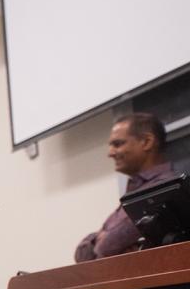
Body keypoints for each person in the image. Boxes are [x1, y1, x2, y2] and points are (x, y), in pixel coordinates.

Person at [75, 112, 176, 262]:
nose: (110, 153)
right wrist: (99, 238)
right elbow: (81, 255)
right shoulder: (135, 191)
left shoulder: (165, 187)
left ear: (147, 142)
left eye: (118, 144)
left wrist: (102, 236)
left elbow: (107, 247)